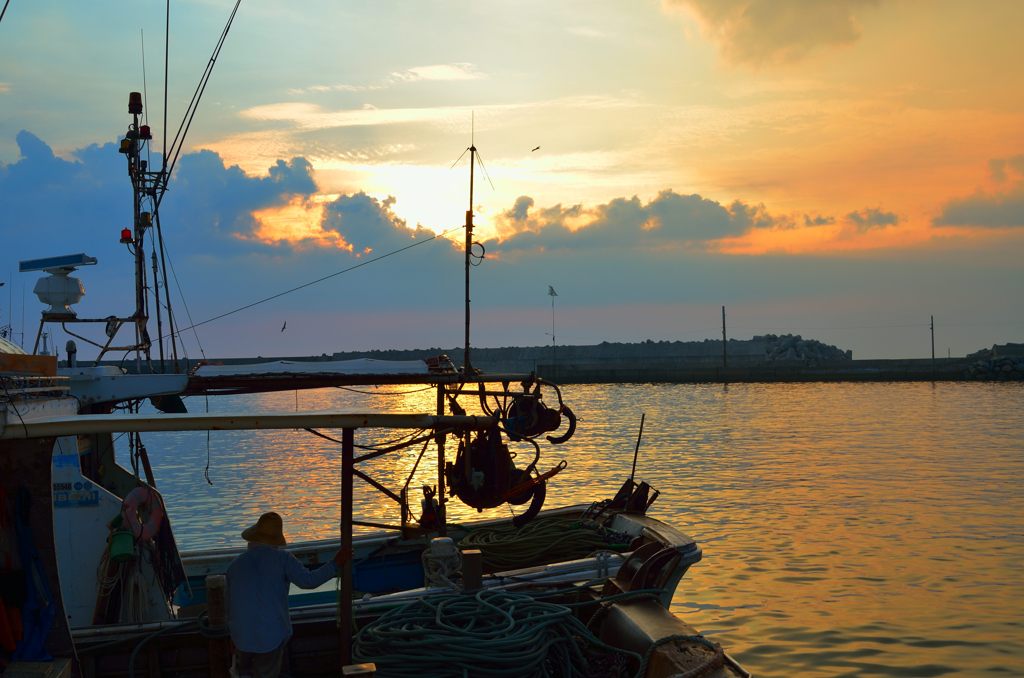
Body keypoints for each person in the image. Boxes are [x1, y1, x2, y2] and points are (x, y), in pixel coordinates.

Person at [226, 512, 346, 678]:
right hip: (271, 636)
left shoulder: (235, 564)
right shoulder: (283, 559)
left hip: (241, 637)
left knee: (243, 673)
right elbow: (308, 581)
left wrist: (232, 634)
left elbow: (229, 605)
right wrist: (335, 564)